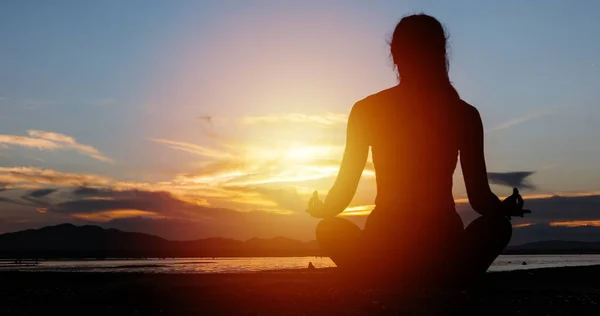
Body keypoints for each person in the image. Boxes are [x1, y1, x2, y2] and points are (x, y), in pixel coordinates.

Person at [306, 14, 530, 287]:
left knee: (329, 228)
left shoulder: (367, 110)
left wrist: (323, 207)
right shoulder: (463, 114)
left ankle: (379, 280)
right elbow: (480, 199)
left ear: (395, 55)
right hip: (443, 246)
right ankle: (443, 281)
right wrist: (504, 208)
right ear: (440, 53)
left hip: (385, 244)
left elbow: (343, 192)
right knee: (498, 227)